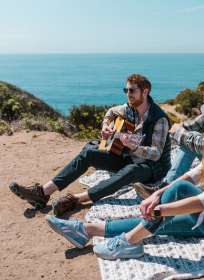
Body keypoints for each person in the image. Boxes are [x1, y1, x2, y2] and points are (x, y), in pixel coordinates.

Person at [45, 92, 204, 258]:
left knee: (176, 196)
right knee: (158, 222)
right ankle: (86, 230)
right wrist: (159, 195)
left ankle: (130, 243)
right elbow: (193, 175)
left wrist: (159, 209)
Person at [9, 74, 171, 215]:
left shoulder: (159, 119)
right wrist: (105, 125)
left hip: (150, 168)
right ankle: (43, 192)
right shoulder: (130, 108)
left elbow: (156, 154)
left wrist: (134, 146)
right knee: (88, 154)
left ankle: (76, 199)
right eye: (126, 90)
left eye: (132, 91)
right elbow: (112, 112)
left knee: (131, 170)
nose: (128, 94)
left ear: (145, 92)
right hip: (127, 156)